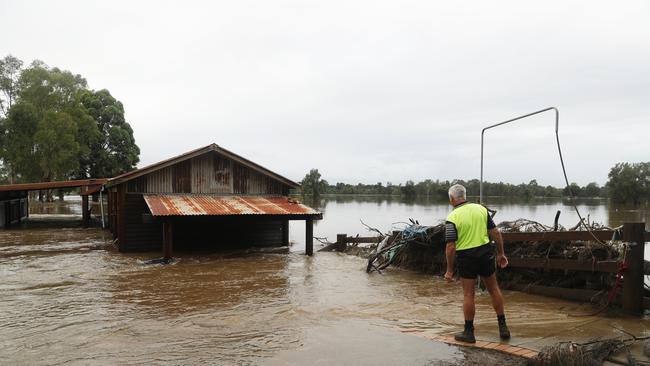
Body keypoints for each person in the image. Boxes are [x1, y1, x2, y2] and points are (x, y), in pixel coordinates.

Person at [444, 184, 510, 343]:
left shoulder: (452, 217)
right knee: (494, 289)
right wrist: (501, 253)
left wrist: (449, 270)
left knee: (468, 294)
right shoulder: (481, 209)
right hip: (485, 254)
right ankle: (503, 328)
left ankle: (469, 332)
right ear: (464, 196)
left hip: (466, 257)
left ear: (452, 199)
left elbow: (451, 246)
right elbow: (495, 233)